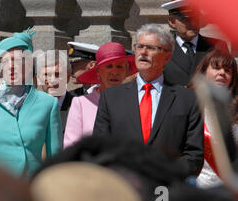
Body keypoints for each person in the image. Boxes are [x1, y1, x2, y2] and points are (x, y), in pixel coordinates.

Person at [93, 24, 204, 177]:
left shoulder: (187, 99)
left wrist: (164, 173)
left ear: (167, 56)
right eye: (140, 47)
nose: (143, 52)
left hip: (166, 190)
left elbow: (194, 155)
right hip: (125, 188)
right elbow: (100, 147)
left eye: (151, 48)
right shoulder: (111, 97)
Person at [0, 29, 62, 178]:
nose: (11, 66)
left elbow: (54, 160)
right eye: (5, 61)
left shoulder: (48, 103)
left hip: (30, 188)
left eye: (17, 60)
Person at [64, 42, 137, 148]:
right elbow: (70, 147)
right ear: (98, 72)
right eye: (109, 66)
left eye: (119, 66)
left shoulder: (136, 102)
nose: (114, 72)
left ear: (126, 71)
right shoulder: (81, 103)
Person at [189, 49, 237, 188]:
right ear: (204, 71)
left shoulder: (236, 111)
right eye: (216, 67)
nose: (222, 73)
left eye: (227, 70)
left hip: (227, 190)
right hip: (194, 185)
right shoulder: (188, 104)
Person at [161, 0, 228, 86]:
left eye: (195, 19)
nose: (192, 23)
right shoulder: (162, 48)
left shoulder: (217, 46)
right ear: (172, 22)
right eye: (185, 20)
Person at [36, 50, 74, 132]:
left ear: (68, 77)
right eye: (47, 74)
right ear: (38, 77)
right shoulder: (30, 106)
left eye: (58, 74)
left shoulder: (77, 106)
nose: (53, 80)